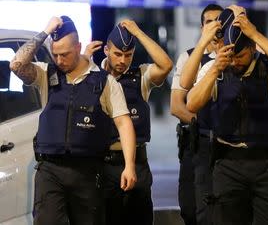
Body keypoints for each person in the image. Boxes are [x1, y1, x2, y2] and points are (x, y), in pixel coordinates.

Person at [9, 16, 137, 225]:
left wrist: (129, 165)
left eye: (65, 54)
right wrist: (45, 32)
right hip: (50, 170)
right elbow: (16, 65)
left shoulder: (104, 82)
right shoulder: (46, 74)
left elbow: (124, 123)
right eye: (56, 55)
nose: (59, 60)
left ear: (78, 47)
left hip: (87, 171)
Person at [186, 5, 268, 225]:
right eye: (231, 55)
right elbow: (192, 104)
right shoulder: (216, 68)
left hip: (266, 163)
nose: (235, 61)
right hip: (228, 162)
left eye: (241, 55)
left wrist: (254, 33)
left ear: (253, 48)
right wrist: (216, 69)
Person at [84, 19, 173, 225]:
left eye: (128, 55)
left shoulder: (140, 75)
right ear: (106, 50)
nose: (123, 60)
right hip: (103, 164)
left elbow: (166, 64)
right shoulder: (92, 76)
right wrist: (83, 60)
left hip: (136, 163)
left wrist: (139, 33)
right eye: (117, 54)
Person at [174, 3, 223, 225]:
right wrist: (202, 124)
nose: (214, 26)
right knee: (190, 208)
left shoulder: (236, 55)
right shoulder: (189, 58)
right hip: (197, 143)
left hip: (226, 146)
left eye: (218, 21)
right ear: (202, 27)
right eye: (208, 22)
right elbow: (177, 105)